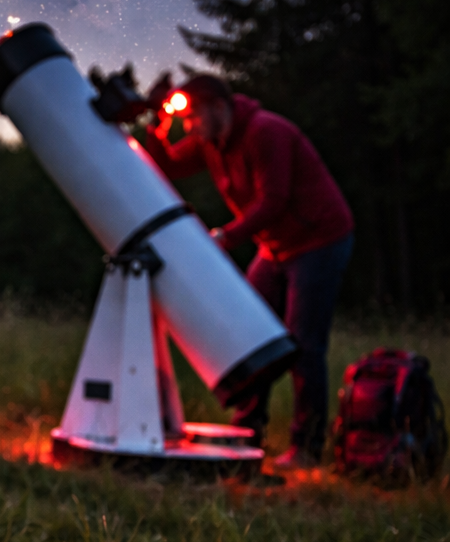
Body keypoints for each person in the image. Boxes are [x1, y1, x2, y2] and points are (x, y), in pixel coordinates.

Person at [142, 74, 354, 468]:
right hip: (274, 248)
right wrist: (156, 123)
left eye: (194, 118)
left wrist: (224, 236)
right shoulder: (212, 142)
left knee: (304, 345)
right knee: (248, 335)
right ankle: (247, 434)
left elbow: (274, 200)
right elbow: (167, 165)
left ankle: (306, 448)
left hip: (319, 241)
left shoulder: (265, 132)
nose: (191, 127)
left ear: (219, 108)